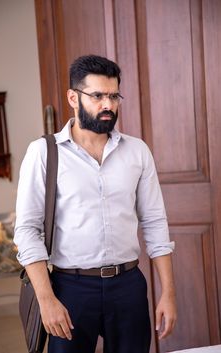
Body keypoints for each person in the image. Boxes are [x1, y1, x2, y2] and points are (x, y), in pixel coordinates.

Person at [14, 54, 177, 353]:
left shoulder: (137, 151)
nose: (108, 105)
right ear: (73, 97)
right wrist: (46, 299)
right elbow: (26, 230)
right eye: (98, 95)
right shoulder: (43, 153)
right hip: (69, 289)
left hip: (128, 285)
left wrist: (168, 293)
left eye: (114, 96)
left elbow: (155, 222)